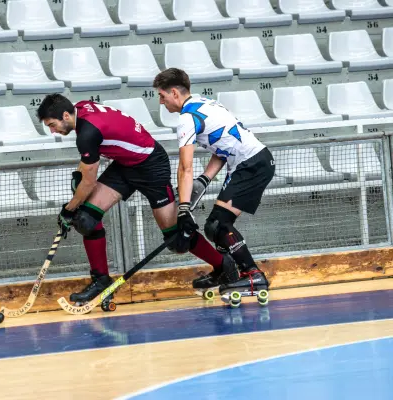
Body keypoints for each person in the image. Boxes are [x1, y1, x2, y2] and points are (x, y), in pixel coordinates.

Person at [37, 94, 239, 304]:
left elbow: (88, 183)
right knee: (86, 220)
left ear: (66, 115)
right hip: (125, 165)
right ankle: (101, 281)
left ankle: (224, 265)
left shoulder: (87, 132)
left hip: (151, 166)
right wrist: (77, 196)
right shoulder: (81, 110)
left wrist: (68, 209)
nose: (53, 131)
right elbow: (85, 172)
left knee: (177, 239)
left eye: (52, 125)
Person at [152, 68, 275, 296]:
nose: (161, 102)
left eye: (162, 96)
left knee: (219, 226)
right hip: (251, 162)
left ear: (175, 93)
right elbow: (222, 146)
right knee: (213, 227)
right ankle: (228, 272)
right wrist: (205, 179)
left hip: (251, 165)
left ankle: (253, 275)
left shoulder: (187, 119)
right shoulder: (205, 103)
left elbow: (185, 167)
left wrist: (184, 209)